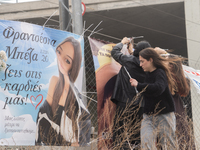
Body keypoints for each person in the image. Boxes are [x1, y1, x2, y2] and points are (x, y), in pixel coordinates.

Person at [35, 37, 91, 146]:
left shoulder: (75, 98)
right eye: (59, 52)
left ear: (73, 67)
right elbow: (44, 121)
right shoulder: (55, 81)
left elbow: (80, 136)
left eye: (67, 61)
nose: (60, 59)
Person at [130, 48, 177, 150]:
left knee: (168, 145)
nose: (140, 64)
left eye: (142, 61)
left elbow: (158, 88)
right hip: (148, 116)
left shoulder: (160, 73)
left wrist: (138, 85)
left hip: (164, 114)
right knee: (146, 143)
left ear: (150, 60)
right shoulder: (147, 74)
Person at [111, 37, 151, 149]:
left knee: (120, 133)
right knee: (136, 135)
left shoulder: (128, 60)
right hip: (141, 105)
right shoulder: (149, 66)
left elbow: (114, 52)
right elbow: (138, 61)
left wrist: (122, 43)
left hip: (124, 102)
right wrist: (132, 52)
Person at [154, 47, 195, 150]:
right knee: (182, 137)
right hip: (179, 111)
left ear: (171, 66)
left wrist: (157, 52)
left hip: (169, 112)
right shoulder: (179, 78)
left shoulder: (168, 78)